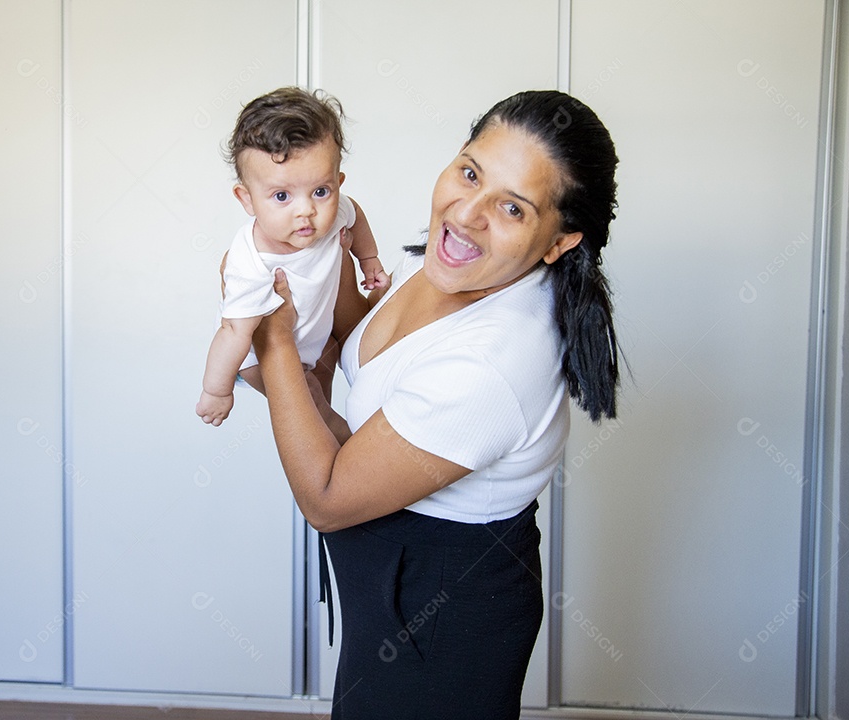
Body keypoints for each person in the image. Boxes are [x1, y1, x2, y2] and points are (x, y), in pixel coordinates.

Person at [251, 90, 620, 719]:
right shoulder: (451, 265)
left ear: (559, 242)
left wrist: (270, 335)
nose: (466, 214)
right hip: (388, 593)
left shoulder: (493, 361)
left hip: (439, 618)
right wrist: (318, 253)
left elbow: (329, 498)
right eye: (470, 173)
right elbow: (357, 356)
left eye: (511, 207)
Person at [196, 87, 389, 427]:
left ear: (337, 183)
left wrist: (368, 258)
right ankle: (352, 457)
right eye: (282, 196)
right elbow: (232, 332)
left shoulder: (335, 210)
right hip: (257, 355)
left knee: (322, 390)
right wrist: (217, 391)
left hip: (314, 341)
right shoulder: (251, 263)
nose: (306, 211)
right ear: (247, 199)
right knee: (314, 413)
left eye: (320, 191)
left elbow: (353, 213)